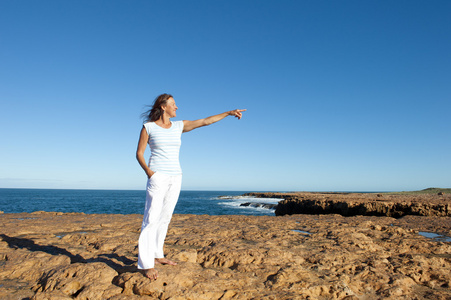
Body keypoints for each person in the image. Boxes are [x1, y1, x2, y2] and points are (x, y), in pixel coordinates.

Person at [136, 93, 246, 280]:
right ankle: (145, 265)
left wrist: (227, 113)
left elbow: (205, 121)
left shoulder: (179, 126)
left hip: (176, 176)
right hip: (158, 176)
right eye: (173, 104)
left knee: (165, 217)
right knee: (151, 218)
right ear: (163, 107)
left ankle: (157, 255)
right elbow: (139, 153)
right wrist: (150, 172)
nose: (176, 107)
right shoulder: (149, 127)